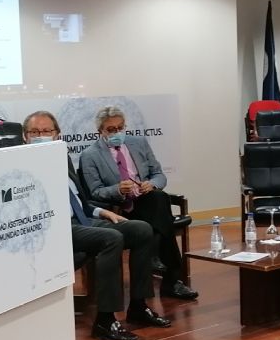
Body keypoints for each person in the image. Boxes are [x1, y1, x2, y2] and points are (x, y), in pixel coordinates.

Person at [22, 110, 170, 340]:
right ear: (25, 136)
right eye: (35, 132)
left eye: (46, 131)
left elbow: (79, 199)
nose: (41, 136)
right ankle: (105, 319)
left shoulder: (62, 157)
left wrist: (102, 211)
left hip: (82, 219)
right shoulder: (20, 164)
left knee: (141, 230)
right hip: (54, 227)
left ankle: (139, 307)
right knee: (111, 238)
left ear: (57, 134)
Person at [77, 106, 198, 301]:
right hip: (120, 208)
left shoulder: (139, 143)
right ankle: (172, 280)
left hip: (146, 200)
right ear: (100, 131)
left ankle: (154, 253)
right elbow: (94, 191)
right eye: (111, 130)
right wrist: (117, 189)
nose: (117, 133)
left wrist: (152, 184)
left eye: (120, 128)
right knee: (162, 216)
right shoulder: (90, 155)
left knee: (158, 197)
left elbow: (159, 174)